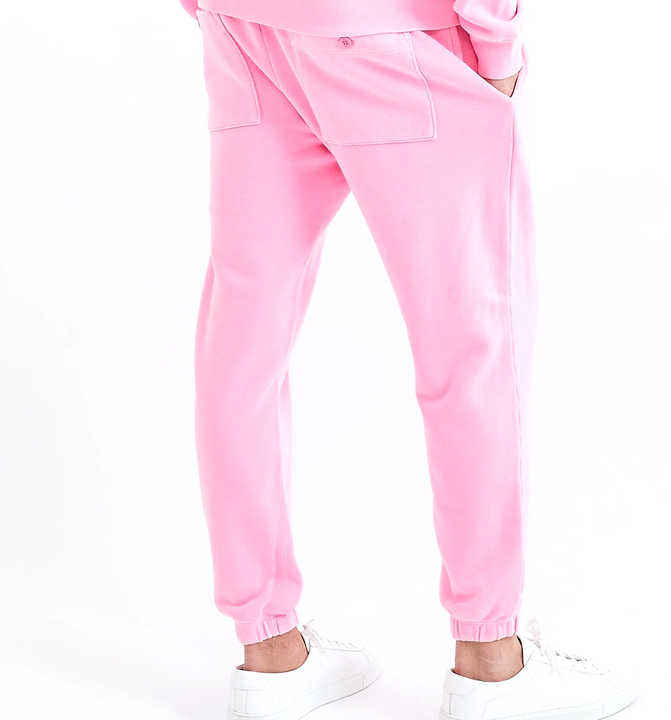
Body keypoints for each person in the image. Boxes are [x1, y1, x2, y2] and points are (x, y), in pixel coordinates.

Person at [180, 1, 636, 718]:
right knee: (471, 346)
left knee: (243, 345)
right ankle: (491, 659)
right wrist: (496, 43)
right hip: (396, 34)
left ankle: (269, 652)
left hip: (248, 28)